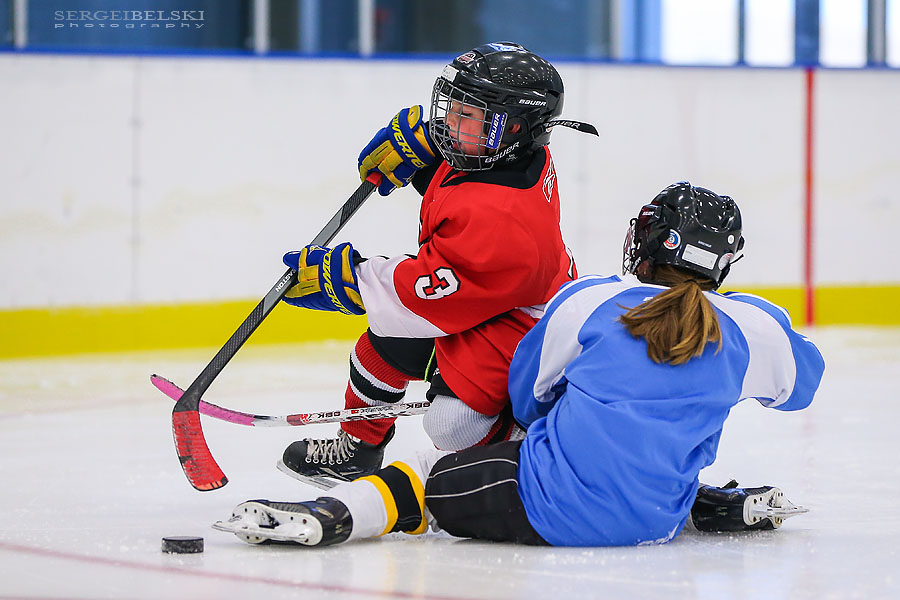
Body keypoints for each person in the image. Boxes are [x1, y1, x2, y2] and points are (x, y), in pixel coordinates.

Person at [214, 181, 826, 547]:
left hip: (542, 506)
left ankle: (332, 517)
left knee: (431, 466)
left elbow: (528, 398)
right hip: (657, 516)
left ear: (647, 240)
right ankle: (710, 504)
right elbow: (805, 385)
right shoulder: (753, 326)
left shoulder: (593, 301)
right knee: (652, 447)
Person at [276, 41, 596, 489]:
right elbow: (464, 196)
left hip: (521, 327)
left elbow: (424, 290)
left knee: (452, 424)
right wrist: (425, 155)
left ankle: (531, 444)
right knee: (379, 348)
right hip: (497, 296)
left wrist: (349, 281)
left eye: (468, 116)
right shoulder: (506, 154)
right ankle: (357, 450)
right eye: (453, 108)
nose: (448, 123)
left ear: (518, 127)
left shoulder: (503, 220)